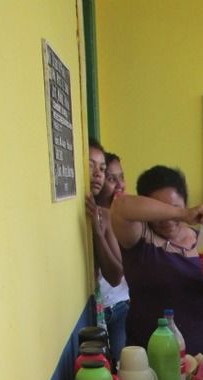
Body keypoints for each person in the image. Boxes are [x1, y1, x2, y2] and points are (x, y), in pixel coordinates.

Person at [110, 165, 203, 361]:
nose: (168, 219)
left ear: (185, 203)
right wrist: (179, 214)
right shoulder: (140, 239)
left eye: (175, 207)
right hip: (147, 359)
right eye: (161, 211)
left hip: (200, 357)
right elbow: (120, 206)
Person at [85, 140, 125, 364]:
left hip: (117, 308)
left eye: (102, 168)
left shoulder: (106, 215)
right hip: (91, 310)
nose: (98, 174)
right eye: (91, 165)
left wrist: (98, 234)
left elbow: (116, 275)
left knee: (119, 368)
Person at [95, 151, 129, 365]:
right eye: (111, 179)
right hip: (100, 309)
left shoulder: (126, 215)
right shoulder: (96, 215)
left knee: (122, 366)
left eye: (121, 177)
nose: (120, 185)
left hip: (122, 305)